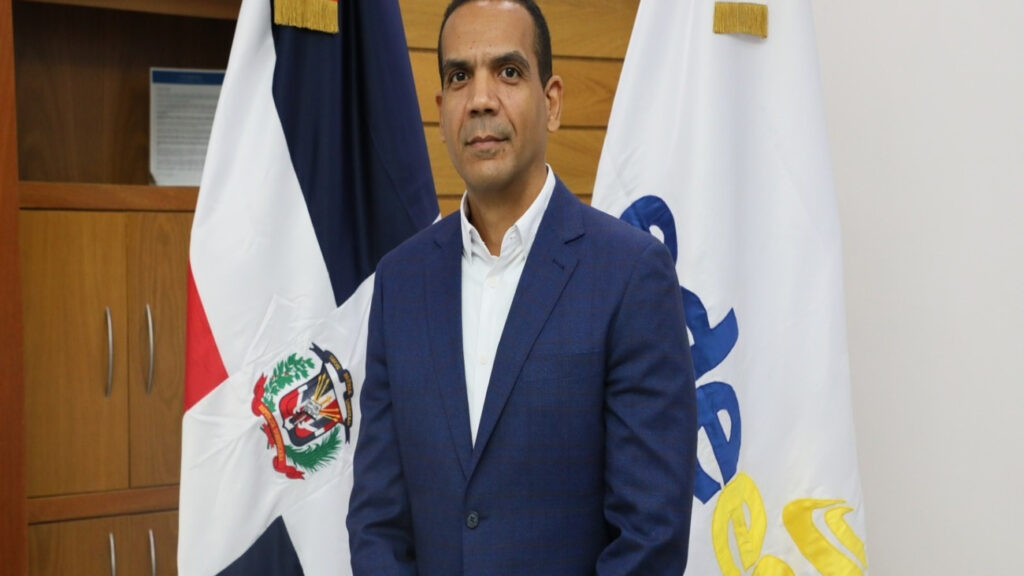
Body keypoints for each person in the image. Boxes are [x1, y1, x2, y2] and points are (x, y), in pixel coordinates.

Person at [347, 1, 697, 574]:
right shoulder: (399, 282)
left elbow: (650, 535)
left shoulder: (630, 274)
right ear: (441, 111)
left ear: (551, 102)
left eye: (508, 72)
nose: (481, 99)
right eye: (459, 76)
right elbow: (377, 520)